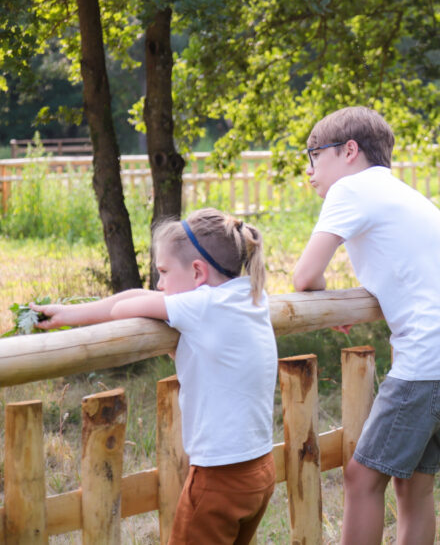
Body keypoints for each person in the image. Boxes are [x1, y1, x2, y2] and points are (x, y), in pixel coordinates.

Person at [292, 106, 440, 545]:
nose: (309, 172)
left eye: (313, 155)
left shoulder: (352, 191)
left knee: (362, 478)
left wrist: (325, 298)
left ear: (349, 151)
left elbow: (305, 276)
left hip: (430, 357)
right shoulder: (401, 192)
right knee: (414, 482)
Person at [35, 208, 278, 545]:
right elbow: (139, 296)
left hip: (219, 477)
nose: (160, 285)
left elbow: (124, 309)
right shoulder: (249, 295)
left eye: (163, 272)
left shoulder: (203, 306)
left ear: (197, 273)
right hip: (260, 469)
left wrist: (87, 313)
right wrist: (70, 314)